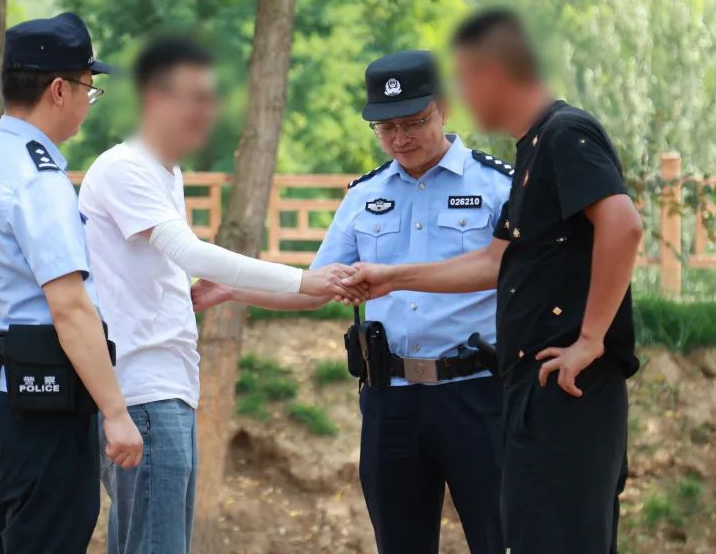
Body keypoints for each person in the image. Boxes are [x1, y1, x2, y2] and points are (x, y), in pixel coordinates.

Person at [341, 9, 643, 554]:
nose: (461, 98)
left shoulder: (563, 133)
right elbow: (492, 261)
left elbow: (623, 226)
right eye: (388, 126)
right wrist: (392, 277)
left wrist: (591, 338)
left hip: (555, 386)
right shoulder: (531, 152)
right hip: (518, 389)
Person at [192, 50, 510, 554]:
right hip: (392, 398)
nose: (400, 138)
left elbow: (507, 271)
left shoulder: (497, 186)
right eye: (386, 128)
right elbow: (316, 286)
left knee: (502, 538)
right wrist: (232, 289)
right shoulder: (365, 195)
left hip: (478, 394)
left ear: (445, 108)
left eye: (413, 122)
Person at [77, 36, 366, 554]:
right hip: (143, 393)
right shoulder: (126, 168)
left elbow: (166, 268)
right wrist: (303, 278)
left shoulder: (165, 171)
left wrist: (227, 289)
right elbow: (190, 253)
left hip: (167, 389)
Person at [0, 12, 143, 554]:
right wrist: (116, 413)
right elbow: (70, 308)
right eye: (88, 87)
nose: (88, 100)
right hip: (40, 410)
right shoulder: (38, 178)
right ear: (59, 89)